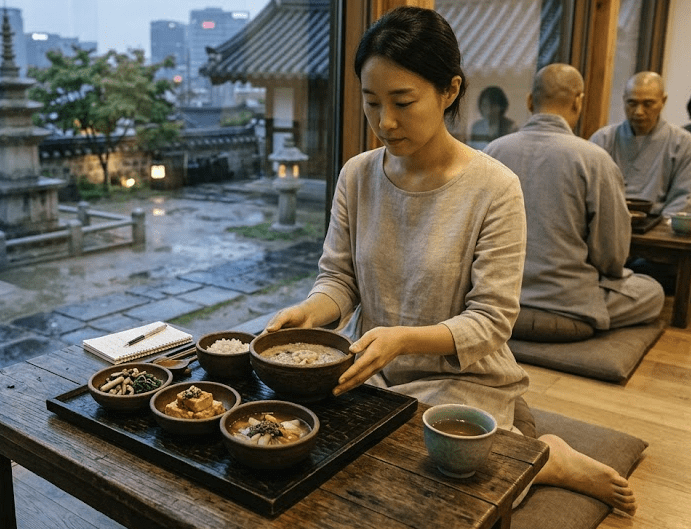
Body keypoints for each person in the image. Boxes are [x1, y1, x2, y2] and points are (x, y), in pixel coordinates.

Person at [264, 7, 636, 514]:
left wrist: (403, 339)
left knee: (435, 488)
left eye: (403, 102)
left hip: (460, 378)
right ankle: (521, 453)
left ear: (449, 90)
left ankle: (546, 457)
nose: (385, 121)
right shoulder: (356, 175)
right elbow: (339, 279)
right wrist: (310, 311)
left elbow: (492, 320)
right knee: (311, 453)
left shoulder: (495, 187)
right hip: (372, 369)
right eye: (371, 102)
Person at [484, 64, 663, 332]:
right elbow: (612, 257)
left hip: (496, 299)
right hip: (568, 304)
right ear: (579, 101)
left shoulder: (492, 152)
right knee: (652, 292)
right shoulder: (595, 159)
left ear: (530, 101)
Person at [590, 72, 691, 217]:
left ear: (663, 101)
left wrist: (661, 226)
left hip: (657, 223)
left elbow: (684, 197)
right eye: (632, 103)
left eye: (648, 104)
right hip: (607, 221)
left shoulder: (683, 143)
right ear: (624, 100)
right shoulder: (603, 139)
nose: (638, 112)